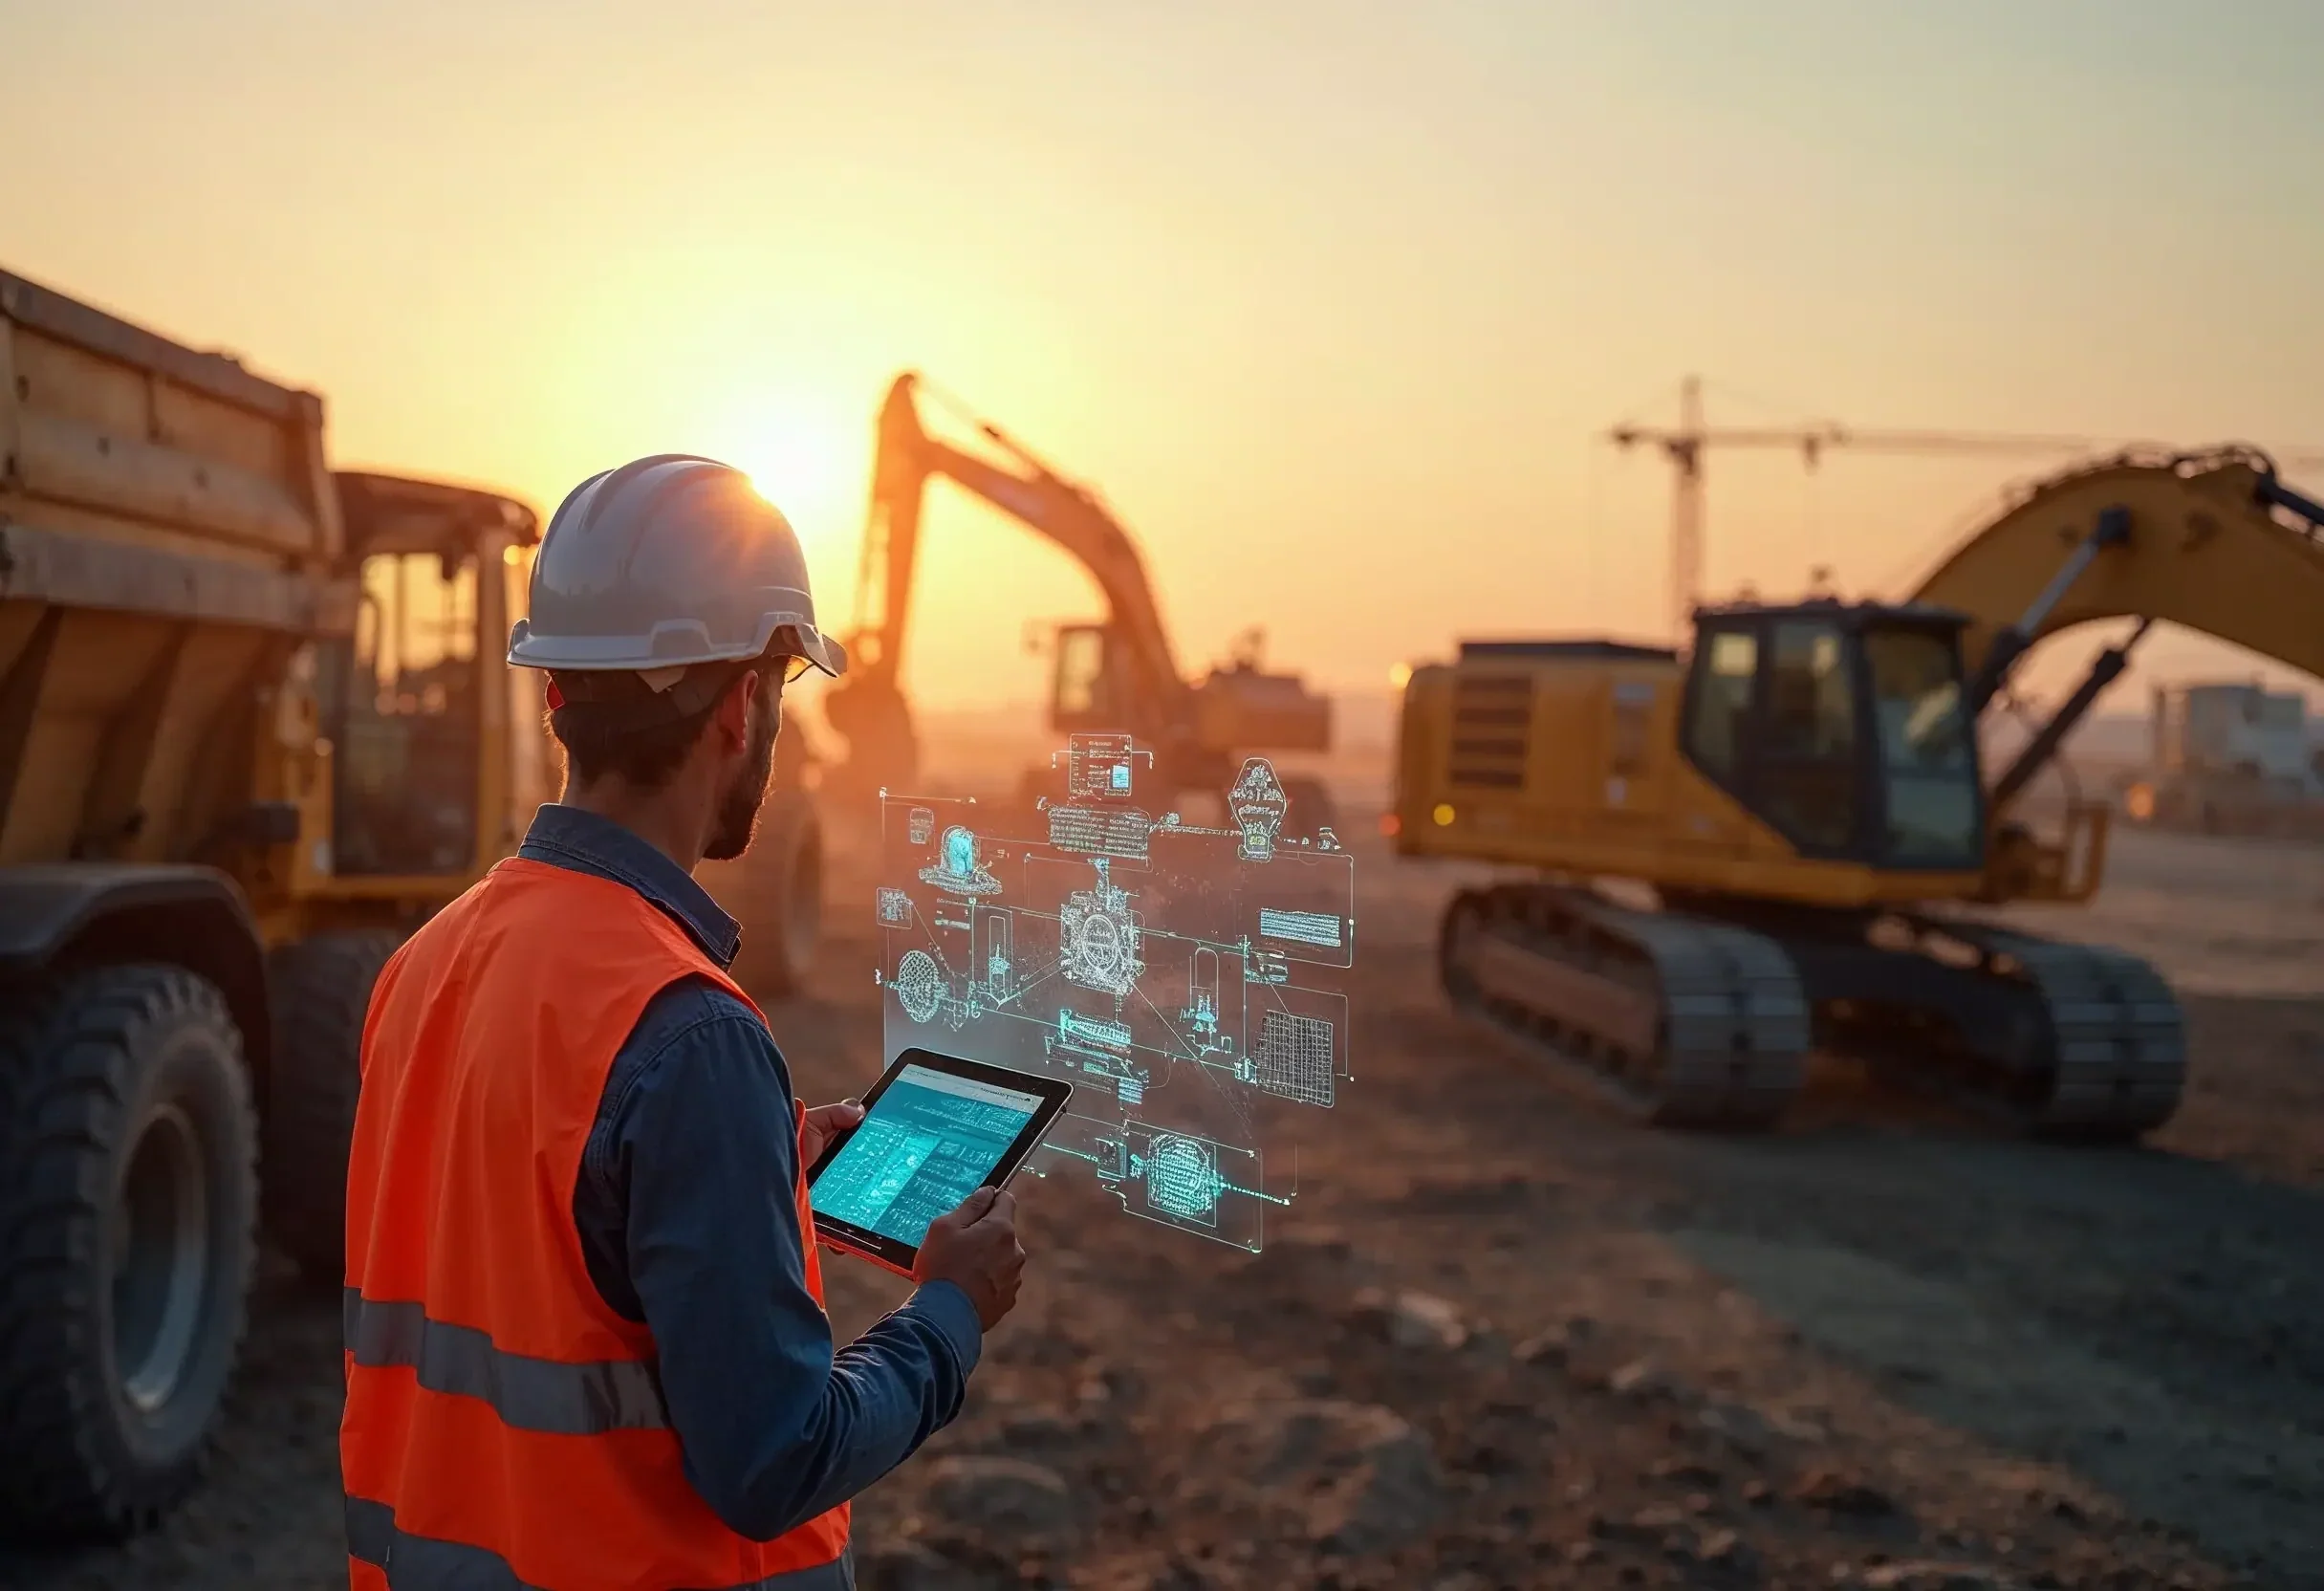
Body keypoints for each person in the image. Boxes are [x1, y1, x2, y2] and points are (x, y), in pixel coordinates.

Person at [339, 455, 1026, 1591]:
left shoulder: (425, 960)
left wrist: (750, 1162)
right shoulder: (687, 1034)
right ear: (742, 703)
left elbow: (533, 1225)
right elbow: (776, 1456)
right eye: (784, 692)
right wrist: (950, 1310)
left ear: (557, 690)